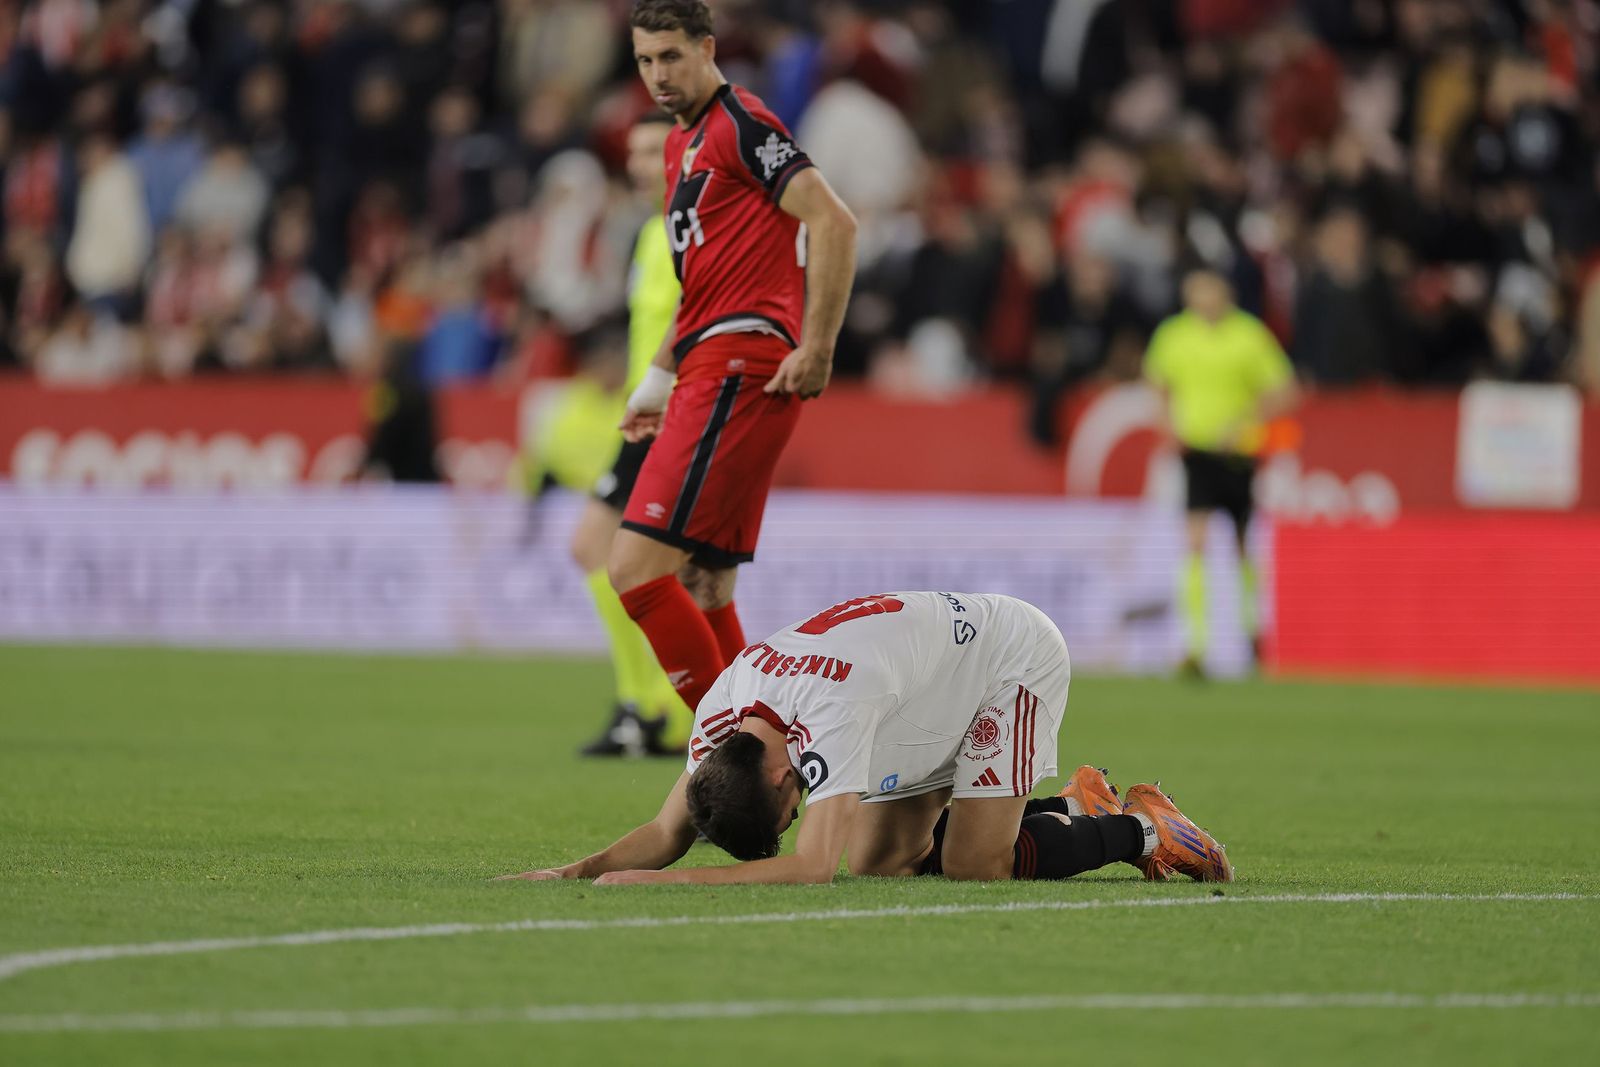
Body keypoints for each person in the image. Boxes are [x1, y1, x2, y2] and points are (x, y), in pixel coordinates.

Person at [499, 591, 1233, 886]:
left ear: (787, 780)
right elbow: (668, 829)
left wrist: (672, 882)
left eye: (786, 815)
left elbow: (813, 866)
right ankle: (1067, 807)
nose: (797, 819)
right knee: (885, 862)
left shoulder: (832, 711)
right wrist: (576, 871)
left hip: (1005, 661)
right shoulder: (724, 713)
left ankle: (1141, 829)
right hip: (920, 699)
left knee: (978, 862)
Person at [608, 0, 859, 719]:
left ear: (708, 48)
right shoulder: (674, 147)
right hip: (708, 364)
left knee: (633, 568)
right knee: (704, 582)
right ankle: (764, 750)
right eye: (645, 61)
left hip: (741, 365)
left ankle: (732, 754)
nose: (658, 75)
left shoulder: (741, 124)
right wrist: (657, 381)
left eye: (671, 57)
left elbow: (834, 221)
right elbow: (697, 288)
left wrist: (818, 345)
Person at [565, 112, 693, 757]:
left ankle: (656, 709)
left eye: (655, 151)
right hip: (643, 415)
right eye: (636, 152)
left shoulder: (692, 229)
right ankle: (643, 708)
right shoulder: (649, 232)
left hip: (678, 415)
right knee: (605, 553)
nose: (641, 163)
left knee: (636, 562)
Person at [1144, 269, 1297, 677]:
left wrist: (1246, 423)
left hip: (1238, 453)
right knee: (1194, 541)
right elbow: (1158, 384)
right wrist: (1167, 426)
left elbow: (1284, 390)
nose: (1203, 299)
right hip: (1197, 451)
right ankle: (1195, 645)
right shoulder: (1174, 335)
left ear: (1225, 293)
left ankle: (1253, 636)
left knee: (1243, 544)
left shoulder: (1249, 335)